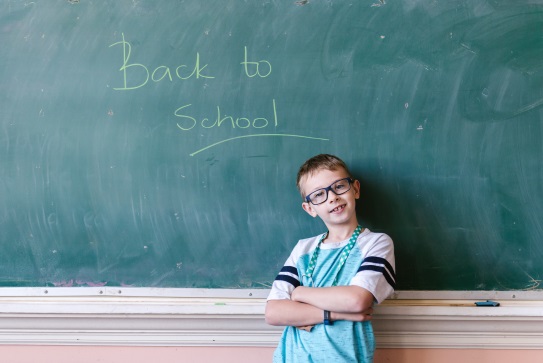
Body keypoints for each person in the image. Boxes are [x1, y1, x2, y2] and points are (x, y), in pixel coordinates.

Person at [265, 154, 396, 363]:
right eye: (319, 195)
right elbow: (274, 312)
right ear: (310, 208)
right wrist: (335, 314)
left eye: (339, 186)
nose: (332, 197)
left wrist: (299, 293)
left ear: (355, 189)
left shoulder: (376, 243)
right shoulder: (303, 249)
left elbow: (356, 300)